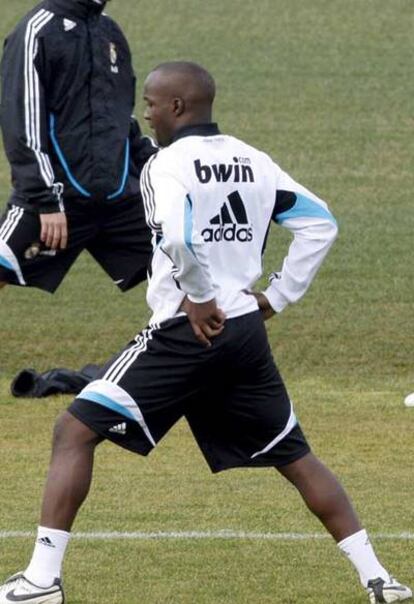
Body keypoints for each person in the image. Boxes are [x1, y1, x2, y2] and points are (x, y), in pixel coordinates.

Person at [0, 61, 411, 604]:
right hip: (243, 333)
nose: (144, 113)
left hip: (183, 333)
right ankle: (379, 579)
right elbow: (320, 222)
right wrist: (278, 295)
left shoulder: (165, 167)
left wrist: (197, 296)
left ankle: (41, 582)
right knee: (294, 456)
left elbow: (176, 235)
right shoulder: (255, 160)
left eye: (150, 102)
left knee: (73, 432)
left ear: (176, 107)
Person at [0, 0, 155, 296]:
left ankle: (225, 339)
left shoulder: (108, 31)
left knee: (186, 265)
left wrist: (159, 164)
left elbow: (120, 117)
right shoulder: (36, 32)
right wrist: (44, 200)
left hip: (118, 196)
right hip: (54, 199)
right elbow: (21, 122)